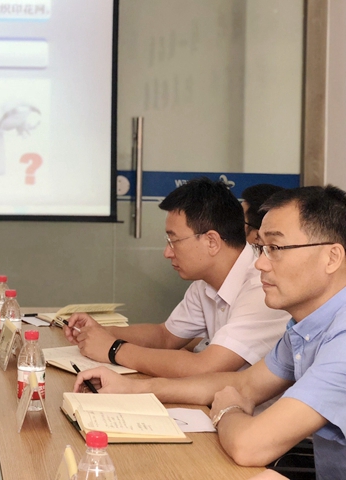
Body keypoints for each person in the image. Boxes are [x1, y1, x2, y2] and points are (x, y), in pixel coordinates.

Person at [73, 186, 346, 476]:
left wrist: (227, 409)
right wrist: (135, 389)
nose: (260, 263)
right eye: (261, 248)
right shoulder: (305, 327)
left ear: (331, 258)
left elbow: (249, 445)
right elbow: (244, 384)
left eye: (276, 249)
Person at [64, 178, 289, 377]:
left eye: (174, 241)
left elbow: (205, 367)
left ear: (211, 241)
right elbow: (165, 336)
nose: (167, 252)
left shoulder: (261, 285)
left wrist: (114, 350)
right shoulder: (205, 281)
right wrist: (100, 332)